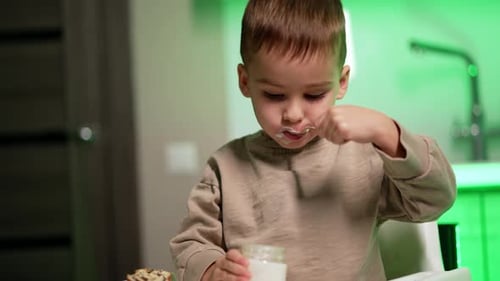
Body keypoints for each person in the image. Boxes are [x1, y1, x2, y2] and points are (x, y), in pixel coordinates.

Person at [170, 0, 456, 280]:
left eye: (314, 95)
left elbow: (437, 198)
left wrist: (388, 133)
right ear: (245, 81)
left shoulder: (366, 157)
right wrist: (210, 270)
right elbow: (191, 244)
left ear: (341, 82)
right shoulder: (224, 169)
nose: (293, 115)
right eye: (274, 95)